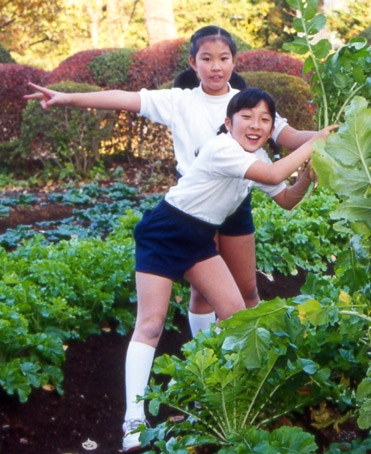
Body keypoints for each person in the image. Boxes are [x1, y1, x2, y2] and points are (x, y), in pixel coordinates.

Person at [25, 25, 316, 341]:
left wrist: (330, 136)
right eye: (207, 59)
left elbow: (291, 137)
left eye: (223, 58)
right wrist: (66, 97)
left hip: (234, 203)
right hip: (196, 206)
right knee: (203, 293)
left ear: (234, 61)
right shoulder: (179, 101)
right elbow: (124, 99)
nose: (216, 67)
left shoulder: (248, 103)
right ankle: (202, 355)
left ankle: (243, 352)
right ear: (193, 63)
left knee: (246, 288)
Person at [126, 87, 335, 452]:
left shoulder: (253, 159)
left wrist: (307, 176)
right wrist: (315, 142)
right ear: (228, 122)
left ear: (272, 129)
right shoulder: (224, 148)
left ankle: (205, 396)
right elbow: (271, 177)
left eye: (265, 119)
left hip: (199, 241)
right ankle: (133, 420)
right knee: (151, 324)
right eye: (247, 117)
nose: (255, 125)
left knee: (236, 316)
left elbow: (286, 200)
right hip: (164, 232)